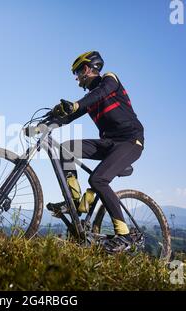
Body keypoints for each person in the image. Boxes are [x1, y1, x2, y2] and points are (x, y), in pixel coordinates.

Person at [47, 51, 144, 253]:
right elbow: (70, 116)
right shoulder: (89, 99)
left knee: (98, 180)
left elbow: (99, 94)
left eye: (77, 72)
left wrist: (75, 105)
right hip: (108, 143)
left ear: (87, 68)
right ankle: (74, 202)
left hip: (130, 142)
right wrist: (45, 123)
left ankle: (124, 236)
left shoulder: (110, 79)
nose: (76, 77)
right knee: (66, 148)